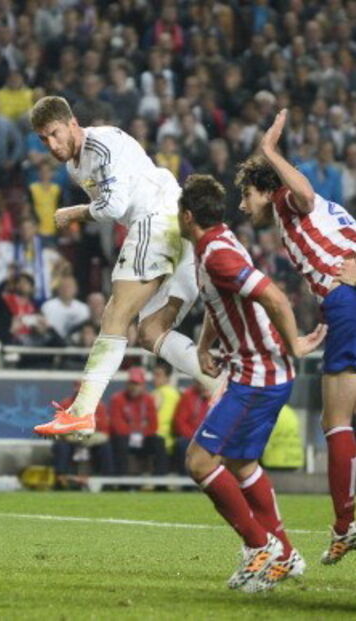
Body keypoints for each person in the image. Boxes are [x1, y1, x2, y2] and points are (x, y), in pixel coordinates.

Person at [29, 96, 220, 438]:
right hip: (176, 227)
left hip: (157, 219)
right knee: (150, 332)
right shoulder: (75, 166)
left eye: (56, 133)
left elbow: (114, 205)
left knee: (115, 314)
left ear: (72, 123)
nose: (52, 144)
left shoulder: (101, 146)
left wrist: (73, 212)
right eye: (44, 139)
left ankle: (82, 412)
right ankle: (220, 384)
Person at [178, 173, 325, 592]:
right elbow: (220, 299)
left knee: (200, 462)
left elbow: (274, 297)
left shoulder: (217, 255)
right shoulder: (215, 241)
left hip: (256, 375)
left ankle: (262, 549)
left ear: (188, 217)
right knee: (241, 464)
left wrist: (294, 341)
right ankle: (284, 553)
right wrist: (206, 344)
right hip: (258, 371)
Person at [235, 109, 356, 565]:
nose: (244, 208)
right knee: (337, 418)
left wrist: (269, 151)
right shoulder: (325, 213)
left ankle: (347, 524)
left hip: (346, 301)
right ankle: (345, 526)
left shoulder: (287, 199)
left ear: (267, 188)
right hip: (345, 301)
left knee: (337, 420)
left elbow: (300, 191)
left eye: (247, 195)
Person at [108, 367, 167, 476]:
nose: (134, 387)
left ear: (143, 385)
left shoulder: (148, 399)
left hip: (143, 438)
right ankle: (122, 481)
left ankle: (160, 481)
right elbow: (117, 425)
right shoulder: (117, 399)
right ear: (127, 384)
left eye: (137, 384)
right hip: (124, 438)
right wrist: (134, 433)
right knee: (120, 440)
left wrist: (139, 434)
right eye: (131, 383)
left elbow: (153, 425)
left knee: (159, 441)